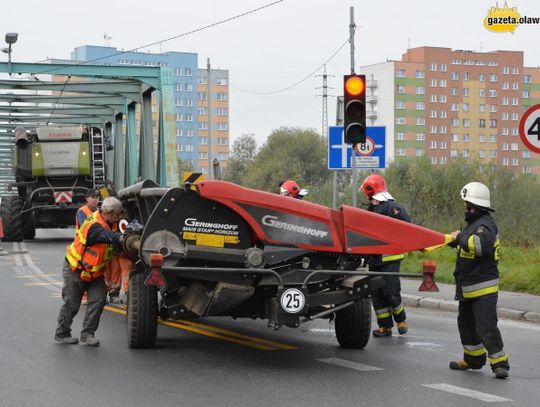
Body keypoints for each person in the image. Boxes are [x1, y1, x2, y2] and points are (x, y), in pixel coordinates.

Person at [447, 182, 510, 379]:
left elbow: (480, 247)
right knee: (466, 325)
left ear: (474, 206)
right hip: (468, 288)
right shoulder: (474, 224)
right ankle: (473, 359)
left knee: (486, 326)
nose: (466, 208)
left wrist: (459, 238)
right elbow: (468, 248)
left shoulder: (485, 225)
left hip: (483, 289)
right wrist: (455, 242)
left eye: (467, 205)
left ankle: (500, 364)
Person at [54, 197, 125, 346]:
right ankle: (62, 333)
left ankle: (87, 334)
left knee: (98, 300)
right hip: (76, 269)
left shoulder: (111, 222)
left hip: (95, 272)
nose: (120, 217)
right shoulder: (93, 226)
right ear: (108, 213)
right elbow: (105, 236)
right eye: (118, 214)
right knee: (72, 304)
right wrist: (120, 237)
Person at [360, 174, 410, 337]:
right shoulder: (371, 209)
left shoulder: (393, 207)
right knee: (377, 295)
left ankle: (401, 321)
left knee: (391, 291)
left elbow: (406, 227)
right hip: (374, 259)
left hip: (390, 259)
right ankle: (385, 327)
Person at [76, 189, 101, 305]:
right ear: (87, 198)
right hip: (83, 245)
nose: (95, 200)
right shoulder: (82, 211)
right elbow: (84, 228)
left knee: (95, 271)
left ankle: (94, 295)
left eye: (97, 197)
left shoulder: (98, 212)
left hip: (95, 245)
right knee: (84, 270)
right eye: (93, 197)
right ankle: (84, 296)